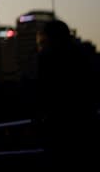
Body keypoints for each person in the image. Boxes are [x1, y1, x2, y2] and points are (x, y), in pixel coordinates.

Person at [35, 19, 97, 170]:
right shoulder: (83, 56)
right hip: (84, 129)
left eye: (43, 41)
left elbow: (42, 94)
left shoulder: (47, 60)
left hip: (61, 132)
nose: (41, 46)